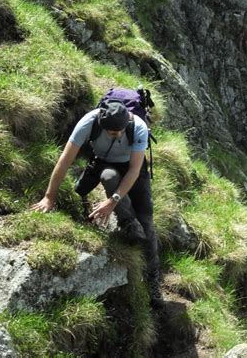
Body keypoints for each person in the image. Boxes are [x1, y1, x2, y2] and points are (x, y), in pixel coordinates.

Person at [31, 101, 163, 308]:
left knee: (146, 220)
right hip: (104, 163)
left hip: (133, 169)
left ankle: (153, 281)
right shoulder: (88, 123)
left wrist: (112, 202)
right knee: (109, 177)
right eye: (112, 133)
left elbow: (134, 170)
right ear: (101, 125)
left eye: (120, 131)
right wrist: (49, 197)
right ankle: (128, 223)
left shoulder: (137, 126)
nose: (118, 135)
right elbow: (64, 161)